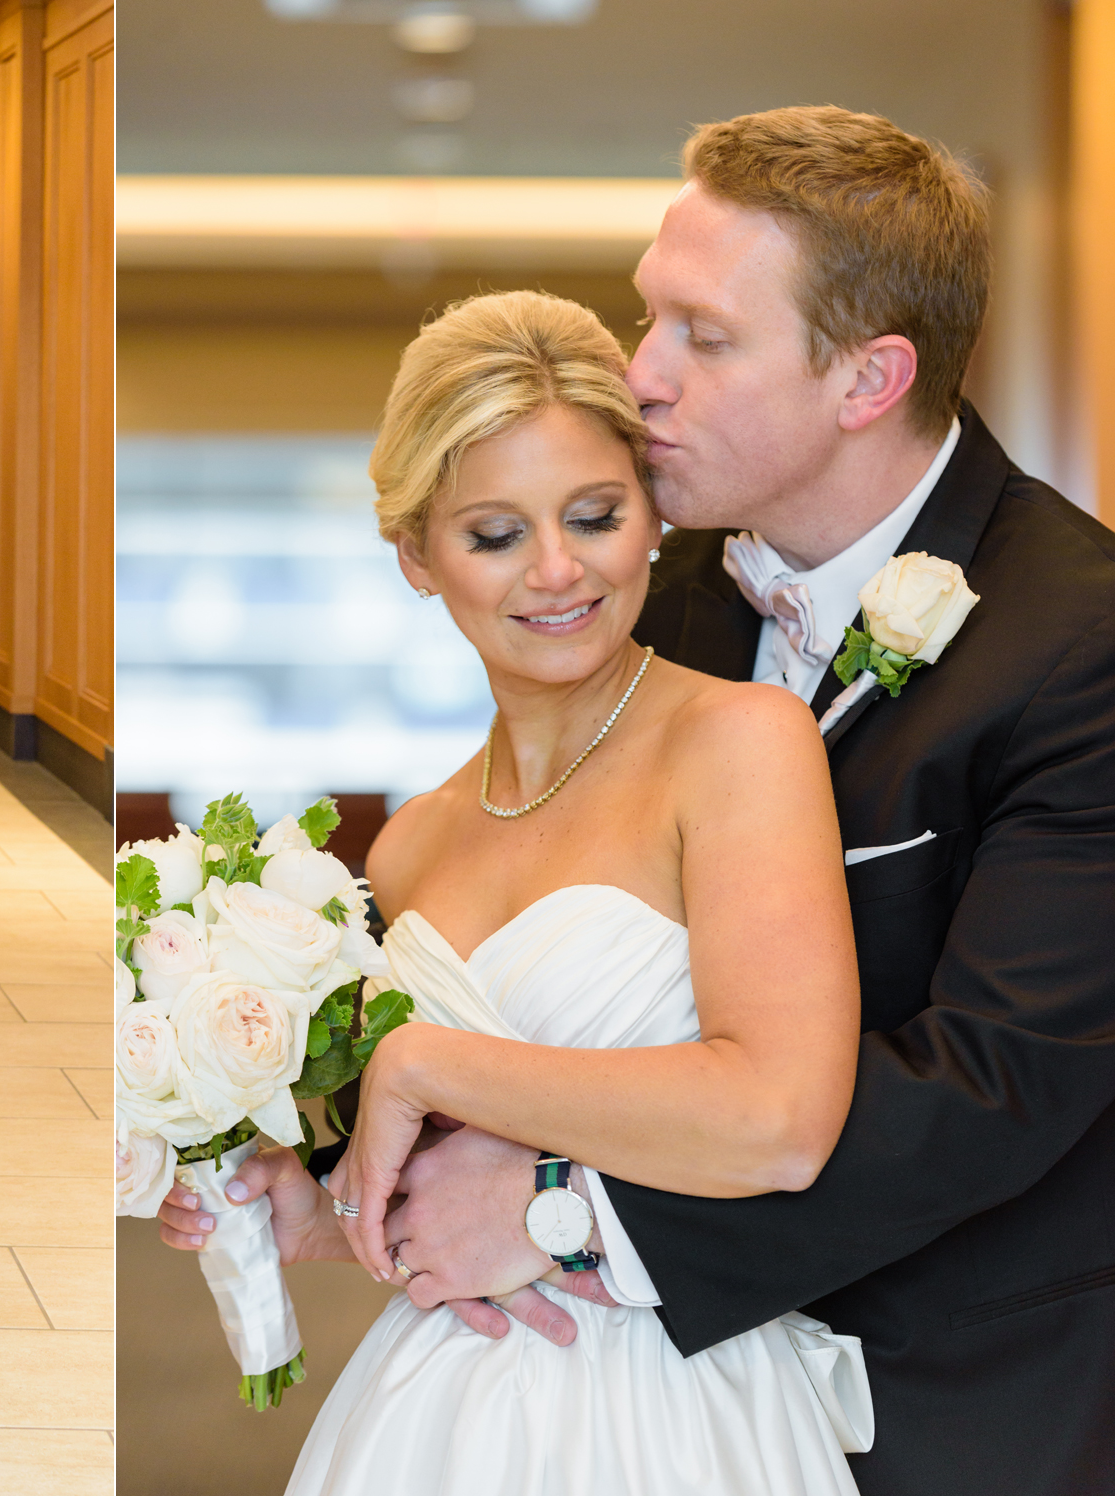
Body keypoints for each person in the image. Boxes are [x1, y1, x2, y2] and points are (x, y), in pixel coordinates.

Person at [173, 107, 1115, 1496]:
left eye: (703, 335)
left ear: (869, 376)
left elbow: (993, 1084)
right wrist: (336, 1178)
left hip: (949, 1405)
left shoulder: (1078, 641)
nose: (641, 374)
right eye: (646, 316)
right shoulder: (648, 598)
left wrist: (565, 1212)